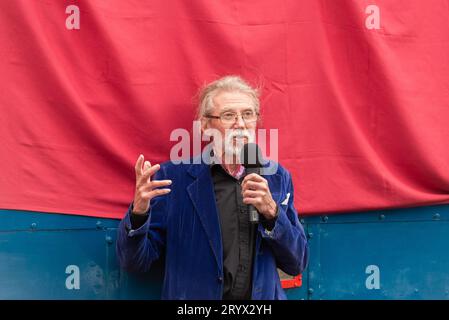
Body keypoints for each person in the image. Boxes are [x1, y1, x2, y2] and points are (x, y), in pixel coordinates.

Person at [116, 75, 308, 300]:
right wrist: (139, 213)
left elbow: (296, 262)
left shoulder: (277, 177)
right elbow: (135, 263)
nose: (240, 123)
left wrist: (272, 214)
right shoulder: (173, 179)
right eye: (228, 115)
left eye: (248, 114)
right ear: (206, 126)